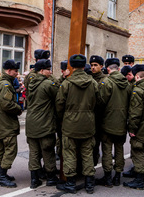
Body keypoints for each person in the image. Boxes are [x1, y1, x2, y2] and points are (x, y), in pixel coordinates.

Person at [56, 54, 101, 194]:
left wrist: (63, 117)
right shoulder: (93, 83)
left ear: (72, 66)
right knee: (87, 153)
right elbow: (98, 102)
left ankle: (70, 184)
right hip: (88, 123)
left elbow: (59, 104)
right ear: (84, 65)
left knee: (69, 152)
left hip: (70, 123)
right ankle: (89, 184)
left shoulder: (67, 83)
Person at [96, 58, 131, 188]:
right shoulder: (127, 84)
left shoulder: (107, 82)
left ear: (108, 69)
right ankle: (117, 176)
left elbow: (100, 102)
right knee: (119, 149)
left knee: (106, 150)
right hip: (122, 122)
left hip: (107, 123)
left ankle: (108, 177)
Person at [123, 64, 144, 190]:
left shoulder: (138, 91)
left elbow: (135, 113)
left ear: (137, 76)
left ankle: (139, 181)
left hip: (141, 128)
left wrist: (132, 129)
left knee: (138, 153)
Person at [26, 59, 60, 188]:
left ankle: (34, 179)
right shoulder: (47, 84)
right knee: (48, 150)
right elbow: (59, 95)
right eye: (48, 69)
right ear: (41, 70)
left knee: (34, 152)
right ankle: (51, 177)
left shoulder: (31, 82)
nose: (50, 71)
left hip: (31, 123)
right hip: (44, 123)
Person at [0, 59, 23, 188]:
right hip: (6, 123)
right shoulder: (5, 84)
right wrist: (18, 109)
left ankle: (1, 174)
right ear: (9, 71)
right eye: (15, 71)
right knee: (10, 149)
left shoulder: (3, 82)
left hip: (2, 123)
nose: (17, 73)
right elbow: (7, 104)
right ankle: (1, 176)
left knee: (2, 149)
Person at [89, 55, 107, 166]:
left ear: (101, 66)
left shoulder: (104, 80)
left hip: (100, 116)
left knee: (97, 142)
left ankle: (95, 162)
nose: (93, 67)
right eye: (91, 65)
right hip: (90, 116)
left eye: (95, 65)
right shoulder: (88, 78)